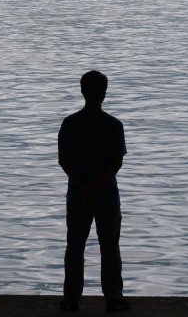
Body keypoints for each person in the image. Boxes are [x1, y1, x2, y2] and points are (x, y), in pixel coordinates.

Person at [58, 70, 130, 313]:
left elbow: (64, 161)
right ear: (104, 93)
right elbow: (116, 163)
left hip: (77, 195)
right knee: (109, 247)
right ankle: (113, 298)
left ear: (82, 91)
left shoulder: (70, 124)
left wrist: (83, 186)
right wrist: (97, 187)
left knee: (75, 246)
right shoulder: (113, 125)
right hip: (107, 195)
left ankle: (70, 299)